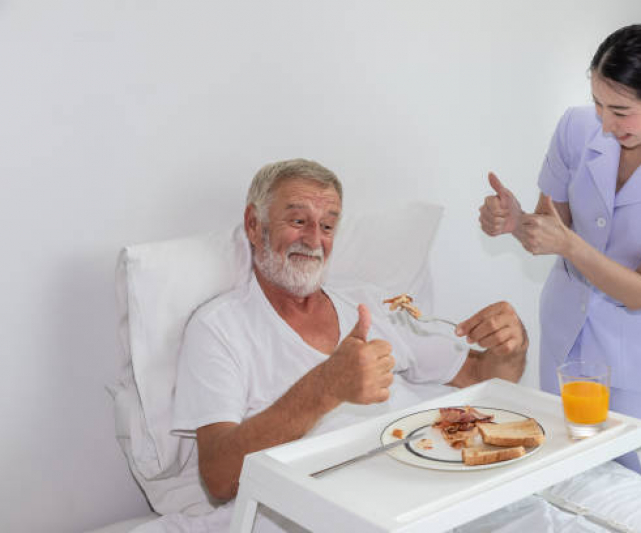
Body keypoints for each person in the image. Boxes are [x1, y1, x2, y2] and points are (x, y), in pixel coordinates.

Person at [146, 158, 528, 532]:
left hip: (431, 495)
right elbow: (219, 476)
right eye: (298, 221)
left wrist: (511, 347)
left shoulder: (371, 304)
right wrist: (325, 387)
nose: (314, 240)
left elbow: (485, 376)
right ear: (253, 223)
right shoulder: (221, 328)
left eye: (327, 226)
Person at [479, 24, 641, 485]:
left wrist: (567, 243)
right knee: (564, 487)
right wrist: (515, 221)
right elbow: (548, 230)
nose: (604, 123)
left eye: (620, 111)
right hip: (568, 344)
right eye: (599, 103)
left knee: (637, 496)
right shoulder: (576, 127)